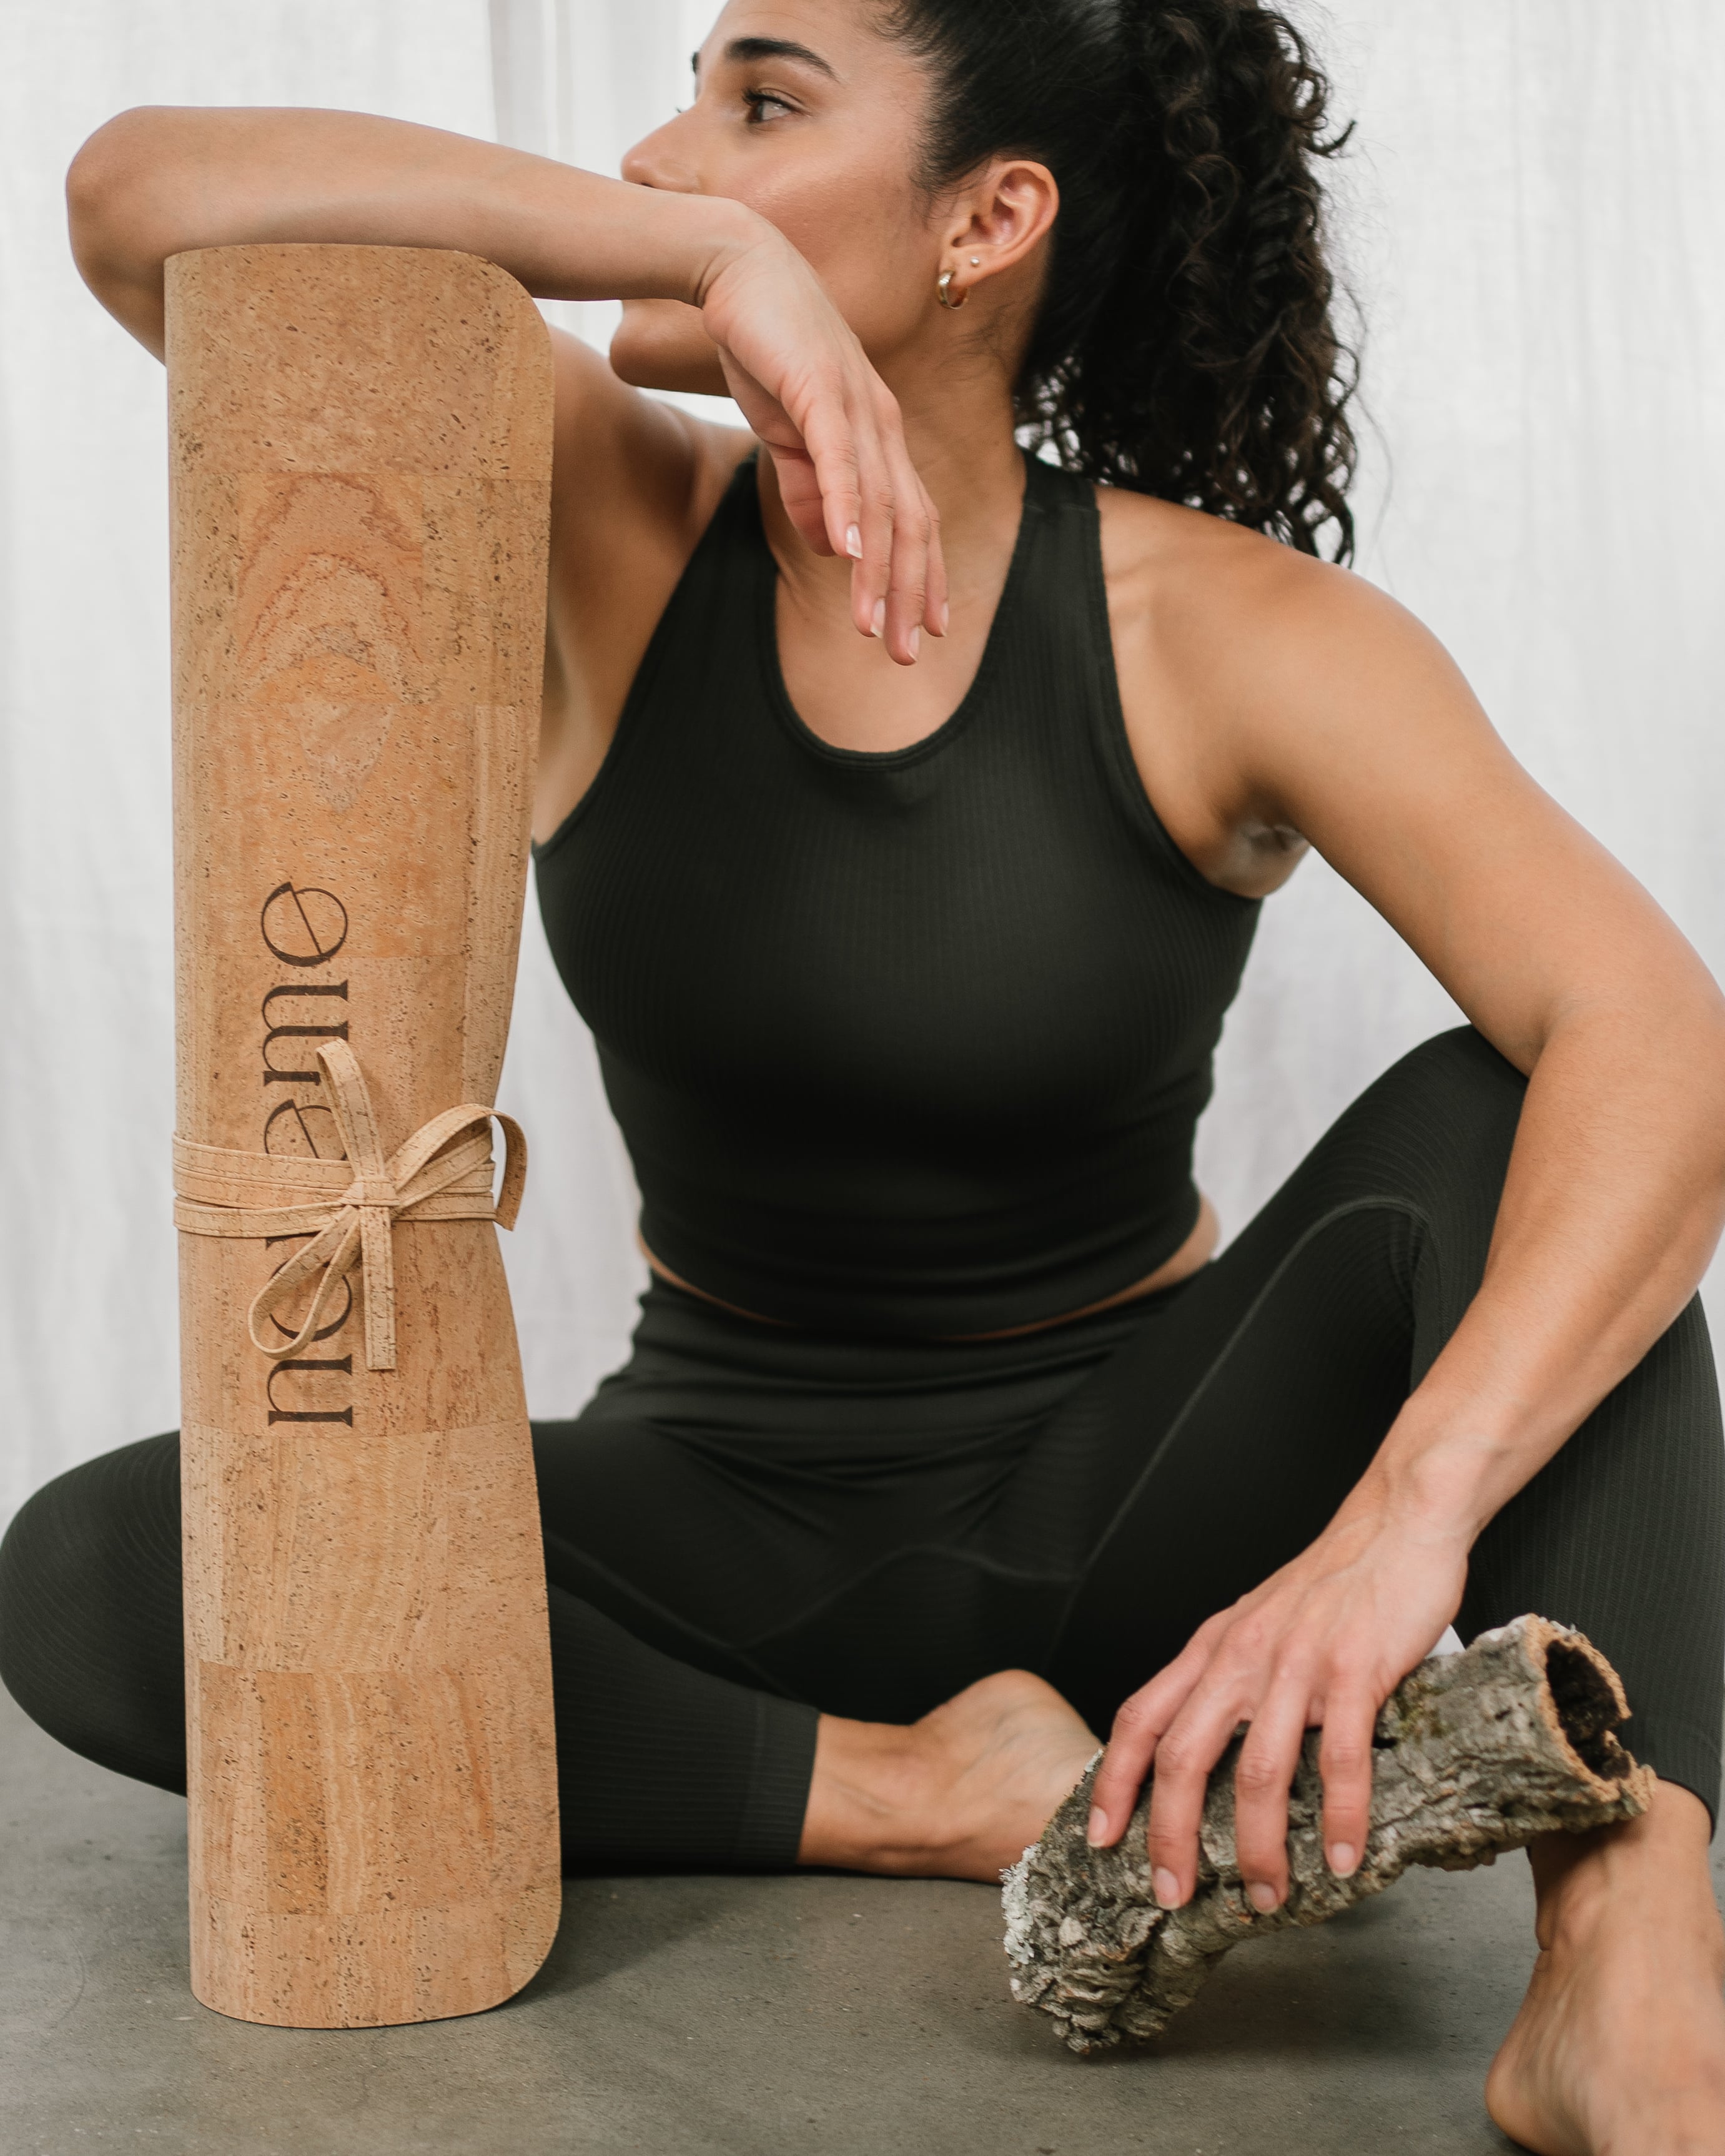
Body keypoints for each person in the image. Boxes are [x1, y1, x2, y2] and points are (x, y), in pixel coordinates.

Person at [2, 1, 1722, 2146]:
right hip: (722, 1517)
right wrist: (734, 260)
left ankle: (1631, 1960)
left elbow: (1654, 1032)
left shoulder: (1229, 634)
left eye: (760, 102)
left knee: (1526, 1117)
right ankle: (909, 1791)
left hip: (1148, 1510)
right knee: (93, 1562)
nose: (654, 150)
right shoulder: (602, 521)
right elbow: (135, 204)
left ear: (990, 217)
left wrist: (1401, 1523)